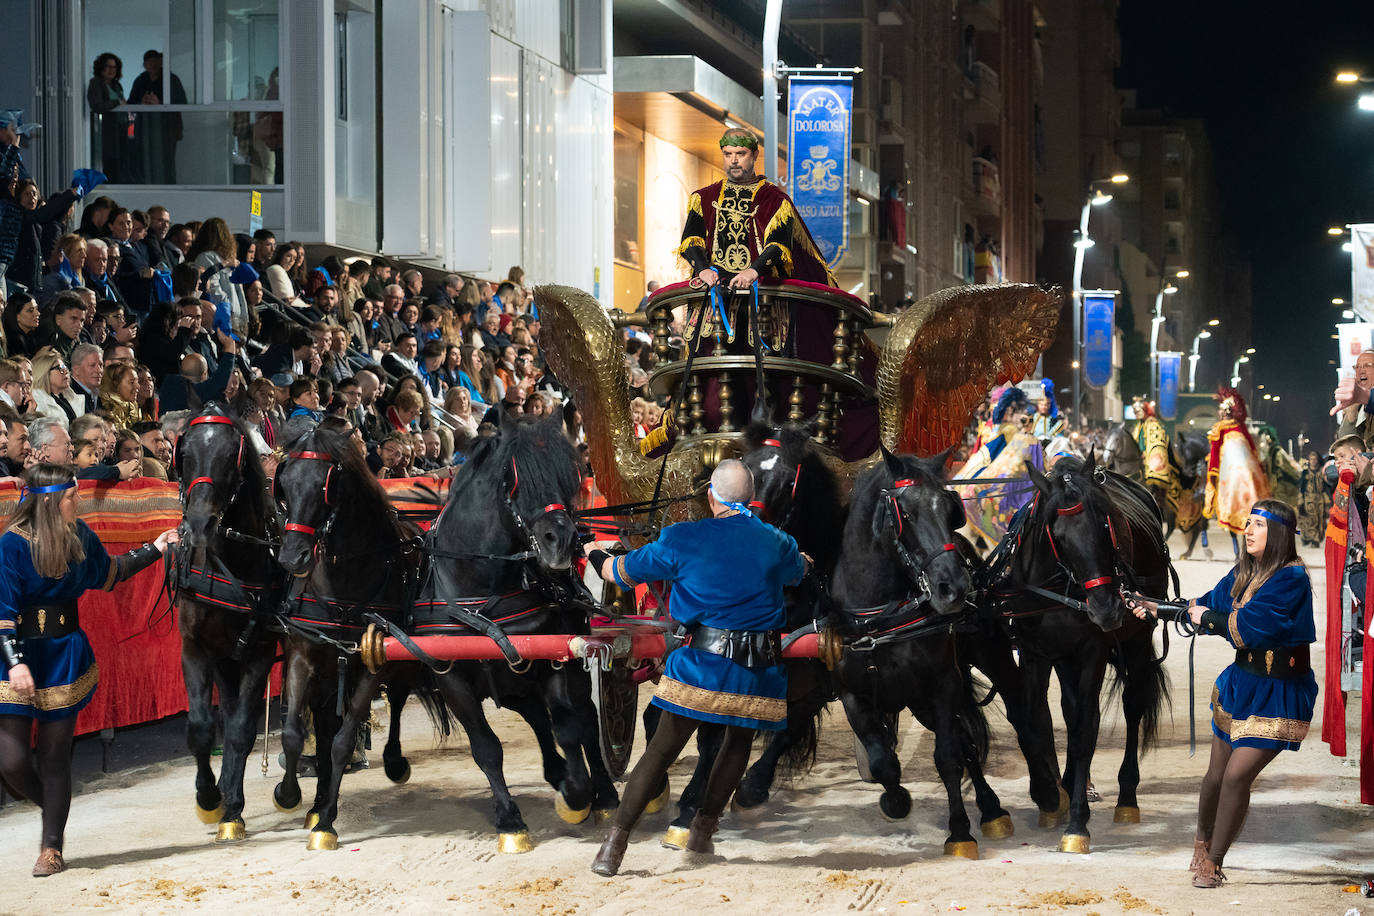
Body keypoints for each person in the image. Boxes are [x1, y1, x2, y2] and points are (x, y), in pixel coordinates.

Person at [585, 460, 808, 876]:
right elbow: (799, 572)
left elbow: (618, 573)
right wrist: (804, 559)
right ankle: (702, 833)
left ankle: (612, 848)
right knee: (737, 745)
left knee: (661, 751)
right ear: (750, 496)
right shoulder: (777, 541)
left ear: (711, 495)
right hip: (756, 672)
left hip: (702, 667)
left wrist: (593, 552)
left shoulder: (682, 537)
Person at [1126, 499, 1315, 889]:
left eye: (1257, 525)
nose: (1247, 530)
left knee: (1235, 777)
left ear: (1278, 533)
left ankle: (1214, 861)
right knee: (1214, 777)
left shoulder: (1291, 579)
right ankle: (1200, 844)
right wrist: (1155, 608)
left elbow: (1251, 626)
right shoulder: (1245, 569)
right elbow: (1205, 603)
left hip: (1278, 693)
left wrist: (1208, 619)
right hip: (1240, 685)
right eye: (1247, 523)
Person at [0, 463, 179, 876]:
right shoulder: (10, 545)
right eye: (70, 496)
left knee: (54, 755)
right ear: (49, 501)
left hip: (64, 654)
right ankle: (54, 803)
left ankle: (51, 846)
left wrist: (156, 547)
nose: (76, 501)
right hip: (19, 656)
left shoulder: (79, 534)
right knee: (10, 760)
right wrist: (15, 663)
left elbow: (111, 572)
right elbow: (3, 612)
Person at [1205, 388, 1271, 558]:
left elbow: (1214, 453)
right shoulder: (1240, 427)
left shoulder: (1219, 428)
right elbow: (1252, 449)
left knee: (1230, 507)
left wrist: (1211, 473)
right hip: (1249, 474)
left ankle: (1239, 549)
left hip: (1230, 475)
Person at [126, 50, 187, 183]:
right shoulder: (140, 80)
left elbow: (182, 102)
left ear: (161, 63)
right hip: (144, 130)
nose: (153, 65)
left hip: (167, 130)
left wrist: (159, 104)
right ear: (144, 64)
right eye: (149, 62)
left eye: (156, 61)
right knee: (144, 161)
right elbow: (130, 104)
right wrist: (141, 104)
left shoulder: (171, 80)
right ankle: (145, 187)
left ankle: (168, 187)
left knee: (167, 161)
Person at [86, 53, 128, 182]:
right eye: (108, 66)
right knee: (109, 166)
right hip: (105, 133)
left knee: (121, 165)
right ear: (101, 67)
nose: (111, 70)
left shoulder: (117, 85)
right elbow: (97, 106)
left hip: (121, 131)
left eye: (114, 67)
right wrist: (117, 103)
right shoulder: (95, 83)